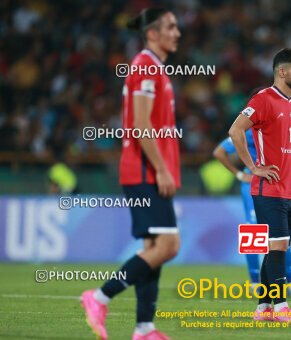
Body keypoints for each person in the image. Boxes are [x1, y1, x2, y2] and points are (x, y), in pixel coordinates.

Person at [80, 8, 181, 340]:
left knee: (153, 247)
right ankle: (99, 297)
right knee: (168, 245)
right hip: (144, 170)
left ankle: (144, 329)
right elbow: (140, 126)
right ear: (152, 33)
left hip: (147, 170)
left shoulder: (154, 68)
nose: (177, 33)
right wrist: (162, 169)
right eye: (170, 27)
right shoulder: (146, 67)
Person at [228, 48, 291, 322]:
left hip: (289, 189)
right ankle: (282, 308)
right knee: (278, 248)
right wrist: (252, 167)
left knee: (277, 248)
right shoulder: (263, 99)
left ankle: (263, 309)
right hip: (268, 189)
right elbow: (235, 130)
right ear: (283, 72)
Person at [213, 129, 291, 292]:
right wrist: (240, 174)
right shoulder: (249, 132)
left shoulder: (279, 128)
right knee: (254, 230)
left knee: (280, 231)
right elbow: (219, 152)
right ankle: (255, 282)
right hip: (254, 184)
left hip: (275, 183)